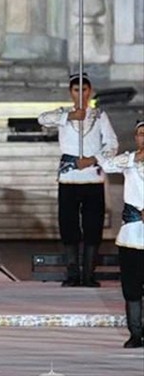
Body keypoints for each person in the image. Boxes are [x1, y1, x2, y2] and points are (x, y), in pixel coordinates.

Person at [37, 73, 118, 287]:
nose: (80, 94)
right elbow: (42, 119)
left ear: (89, 91)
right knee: (69, 225)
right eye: (75, 90)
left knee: (93, 226)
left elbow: (111, 144)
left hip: (92, 178)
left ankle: (89, 274)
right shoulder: (63, 114)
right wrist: (70, 117)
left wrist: (93, 159)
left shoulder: (99, 115)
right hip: (69, 180)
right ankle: (72, 273)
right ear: (70, 92)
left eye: (83, 90)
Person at [97, 120, 144, 348]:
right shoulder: (128, 161)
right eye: (141, 134)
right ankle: (136, 332)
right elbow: (105, 164)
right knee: (132, 287)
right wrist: (106, 146)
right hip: (131, 236)